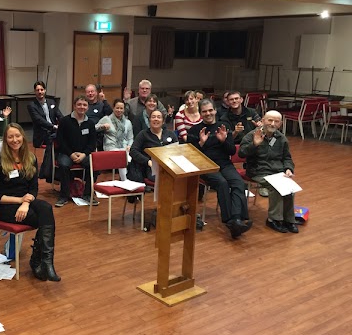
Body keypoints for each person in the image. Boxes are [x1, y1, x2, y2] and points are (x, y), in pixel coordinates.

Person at [0, 123, 61, 281]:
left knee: (46, 208)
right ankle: (39, 262)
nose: (15, 140)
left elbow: (33, 188)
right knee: (44, 219)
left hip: (25, 202)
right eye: (10, 137)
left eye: (17, 136)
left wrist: (25, 203)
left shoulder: (30, 158)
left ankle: (46, 262)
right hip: (6, 206)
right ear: (5, 140)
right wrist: (20, 200)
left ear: (23, 137)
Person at [187, 99, 252, 239]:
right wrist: (201, 144)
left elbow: (231, 151)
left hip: (225, 164)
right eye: (204, 111)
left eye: (210, 110)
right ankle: (230, 221)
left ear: (215, 110)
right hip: (206, 166)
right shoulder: (194, 130)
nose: (208, 113)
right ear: (200, 113)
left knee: (238, 183)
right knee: (222, 183)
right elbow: (190, 156)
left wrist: (223, 141)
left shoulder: (224, 126)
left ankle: (237, 218)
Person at [239, 111, 298, 234]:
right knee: (276, 188)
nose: (272, 124)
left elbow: (287, 158)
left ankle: (289, 220)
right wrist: (254, 145)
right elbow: (241, 153)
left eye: (276, 121)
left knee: (290, 188)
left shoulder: (281, 138)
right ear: (263, 120)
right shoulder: (252, 135)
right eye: (270, 120)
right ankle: (273, 220)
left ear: (280, 124)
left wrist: (288, 169)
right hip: (258, 171)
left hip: (277, 172)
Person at [54, 96, 97, 207]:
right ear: (74, 106)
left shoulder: (90, 124)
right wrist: (71, 154)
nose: (82, 107)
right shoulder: (64, 121)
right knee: (63, 165)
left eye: (84, 105)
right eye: (79, 104)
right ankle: (64, 196)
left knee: (94, 166)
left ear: (87, 107)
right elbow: (60, 141)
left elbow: (92, 143)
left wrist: (84, 154)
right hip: (67, 153)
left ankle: (87, 194)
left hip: (83, 154)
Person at [128, 110, 177, 183]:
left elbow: (178, 150)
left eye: (159, 117)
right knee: (164, 178)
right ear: (149, 120)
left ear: (163, 121)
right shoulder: (143, 134)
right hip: (150, 168)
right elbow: (133, 151)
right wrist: (148, 161)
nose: (156, 119)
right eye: (153, 117)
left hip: (169, 166)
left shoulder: (170, 134)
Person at [96, 99, 134, 181]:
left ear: (124, 110)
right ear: (113, 108)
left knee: (129, 156)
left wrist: (129, 145)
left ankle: (130, 179)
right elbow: (94, 128)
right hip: (110, 147)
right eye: (117, 108)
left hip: (124, 148)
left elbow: (130, 138)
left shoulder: (128, 122)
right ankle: (125, 180)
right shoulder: (107, 119)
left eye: (121, 108)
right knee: (122, 156)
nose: (119, 110)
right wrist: (102, 126)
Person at [27, 80, 63, 148]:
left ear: (45, 90)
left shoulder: (51, 102)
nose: (40, 92)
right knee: (54, 139)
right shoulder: (31, 105)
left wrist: (64, 123)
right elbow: (39, 120)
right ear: (35, 91)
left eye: (41, 89)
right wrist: (53, 126)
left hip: (54, 131)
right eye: (37, 90)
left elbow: (59, 115)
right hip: (42, 133)